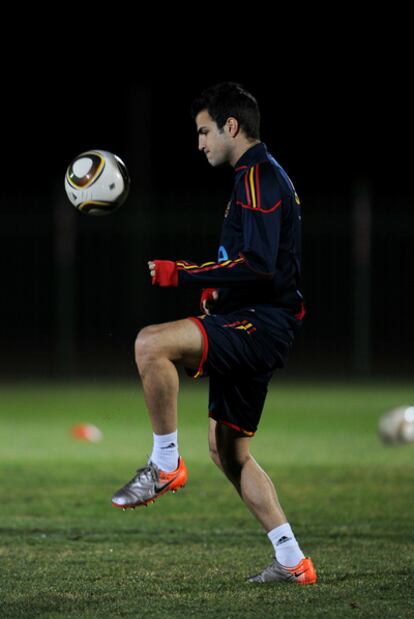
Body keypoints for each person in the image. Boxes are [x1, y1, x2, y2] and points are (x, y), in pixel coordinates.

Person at [112, 82, 317, 585]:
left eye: (204, 131)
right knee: (229, 453)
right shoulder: (258, 177)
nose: (200, 142)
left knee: (150, 343)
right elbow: (254, 264)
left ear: (231, 126)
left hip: (261, 325)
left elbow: (261, 265)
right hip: (256, 321)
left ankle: (164, 464)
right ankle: (293, 561)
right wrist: (218, 295)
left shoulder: (258, 177)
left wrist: (181, 273)